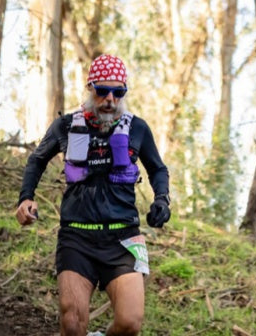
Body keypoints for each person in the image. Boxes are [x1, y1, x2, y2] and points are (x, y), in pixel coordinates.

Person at [16, 54, 171, 336]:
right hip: (77, 236)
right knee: (73, 324)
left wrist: (162, 198)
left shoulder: (137, 128)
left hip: (123, 238)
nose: (110, 98)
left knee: (129, 323)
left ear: (124, 93)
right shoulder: (65, 126)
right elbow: (37, 160)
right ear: (90, 88)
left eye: (118, 92)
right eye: (102, 91)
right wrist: (26, 197)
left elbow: (158, 169)